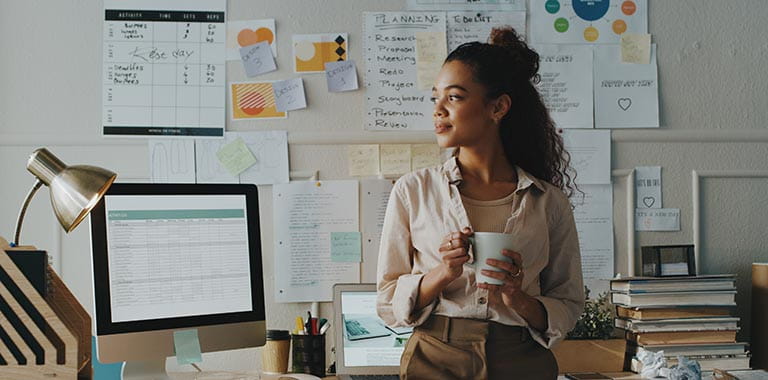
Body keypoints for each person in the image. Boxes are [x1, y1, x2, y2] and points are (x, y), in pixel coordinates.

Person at [376, 27, 585, 380]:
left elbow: (568, 303)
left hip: (523, 360)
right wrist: (444, 273)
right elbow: (387, 301)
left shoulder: (548, 201)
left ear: (498, 107)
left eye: (454, 97)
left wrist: (517, 299)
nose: (438, 110)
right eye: (435, 98)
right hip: (434, 357)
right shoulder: (412, 191)